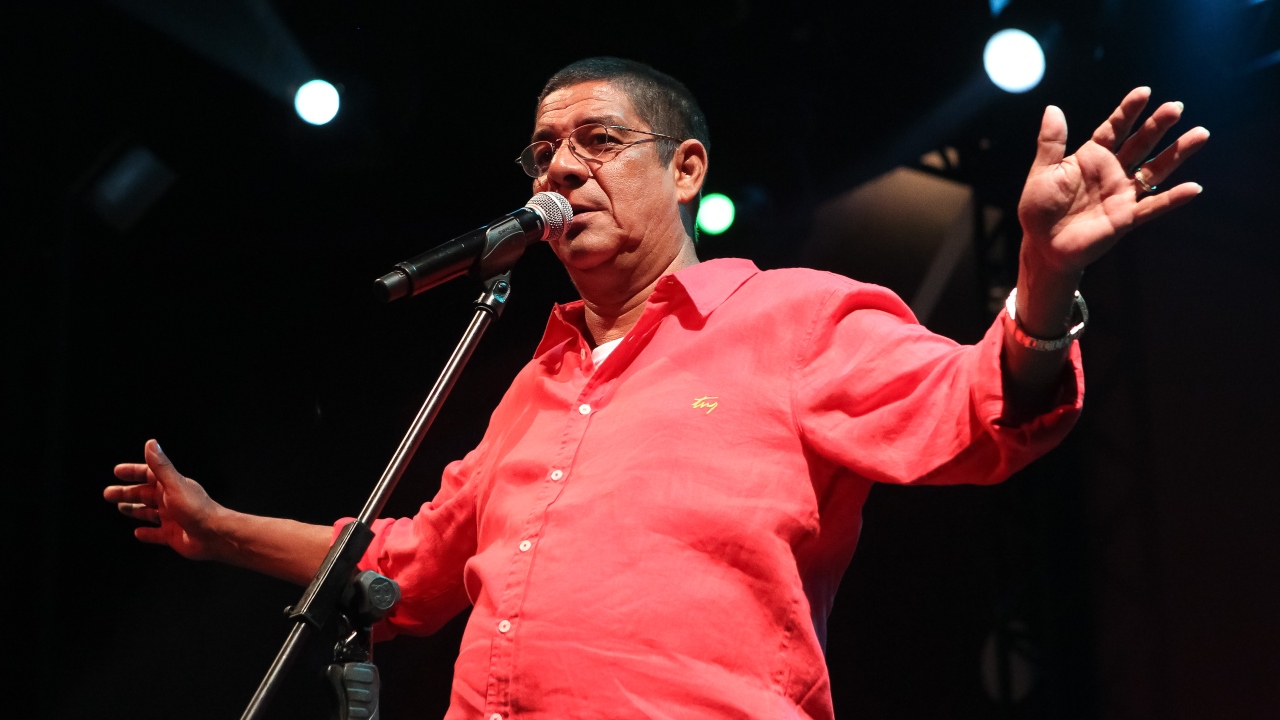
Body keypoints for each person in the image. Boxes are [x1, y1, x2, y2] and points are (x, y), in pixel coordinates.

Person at [105, 58, 1209, 719]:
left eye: (594, 140)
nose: (556, 171)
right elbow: (409, 569)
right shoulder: (532, 383)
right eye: (539, 154)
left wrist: (1043, 278)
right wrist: (221, 528)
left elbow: (979, 413)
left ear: (682, 169)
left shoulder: (795, 316)